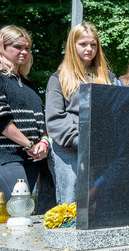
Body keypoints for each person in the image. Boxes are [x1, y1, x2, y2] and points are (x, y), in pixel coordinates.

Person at [46, 22, 118, 204]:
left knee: (101, 203)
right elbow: (55, 119)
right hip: (69, 148)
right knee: (71, 203)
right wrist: (80, 140)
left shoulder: (109, 78)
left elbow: (116, 113)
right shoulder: (58, 78)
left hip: (102, 148)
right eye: (83, 44)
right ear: (73, 45)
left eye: (93, 44)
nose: (89, 49)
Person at [0, 26, 50, 198]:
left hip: (31, 157)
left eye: (27, 48)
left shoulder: (27, 85)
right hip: (1, 153)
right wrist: (29, 144)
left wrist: (44, 142)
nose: (24, 52)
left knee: (20, 213)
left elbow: (43, 119)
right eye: (18, 47)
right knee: (20, 205)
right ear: (2, 46)